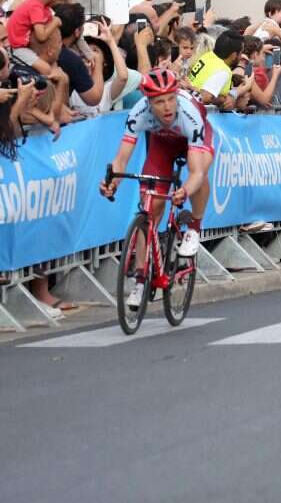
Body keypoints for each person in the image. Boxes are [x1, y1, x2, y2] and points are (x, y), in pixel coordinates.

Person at [99, 69, 214, 308]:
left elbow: (196, 172)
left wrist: (185, 190)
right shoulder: (138, 113)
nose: (167, 106)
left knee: (200, 177)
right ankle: (141, 280)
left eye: (171, 98)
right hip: (162, 144)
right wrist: (112, 183)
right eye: (159, 102)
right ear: (148, 102)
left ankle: (194, 227)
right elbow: (121, 159)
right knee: (150, 208)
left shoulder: (189, 114)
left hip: (191, 144)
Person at [5, 0, 65, 68]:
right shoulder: (35, 7)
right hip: (17, 48)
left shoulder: (38, 2)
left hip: (27, 44)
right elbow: (41, 36)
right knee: (45, 69)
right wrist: (56, 21)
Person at [185, 29, 247, 111]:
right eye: (241, 52)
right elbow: (206, 97)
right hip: (197, 112)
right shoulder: (223, 70)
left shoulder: (208, 56)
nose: (241, 56)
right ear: (234, 55)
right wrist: (223, 99)